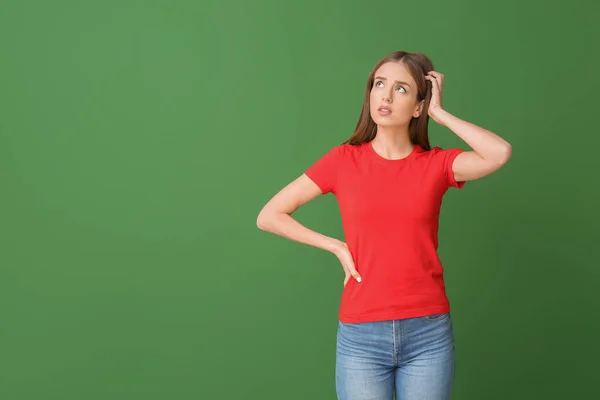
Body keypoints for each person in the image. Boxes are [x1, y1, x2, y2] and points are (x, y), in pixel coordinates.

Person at [256, 50, 512, 400]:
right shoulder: (343, 161)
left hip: (428, 333)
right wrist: (335, 246)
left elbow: (499, 153)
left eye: (402, 89)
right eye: (379, 84)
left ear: (418, 106)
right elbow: (269, 215)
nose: (386, 96)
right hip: (361, 334)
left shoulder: (436, 164)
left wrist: (440, 113)